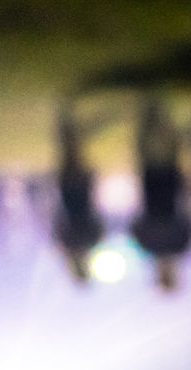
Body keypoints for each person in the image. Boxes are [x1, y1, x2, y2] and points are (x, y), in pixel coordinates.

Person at [131, 98, 191, 290]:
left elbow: (136, 224)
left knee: (150, 158)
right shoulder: (177, 247)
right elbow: (187, 220)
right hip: (169, 195)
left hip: (154, 196)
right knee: (169, 156)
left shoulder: (150, 247)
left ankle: (149, 114)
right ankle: (159, 115)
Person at [52, 100, 108, 283]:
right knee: (69, 155)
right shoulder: (66, 243)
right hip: (69, 194)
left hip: (82, 194)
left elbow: (97, 216)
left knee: (74, 155)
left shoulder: (92, 240)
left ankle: (68, 121)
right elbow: (58, 220)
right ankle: (66, 121)